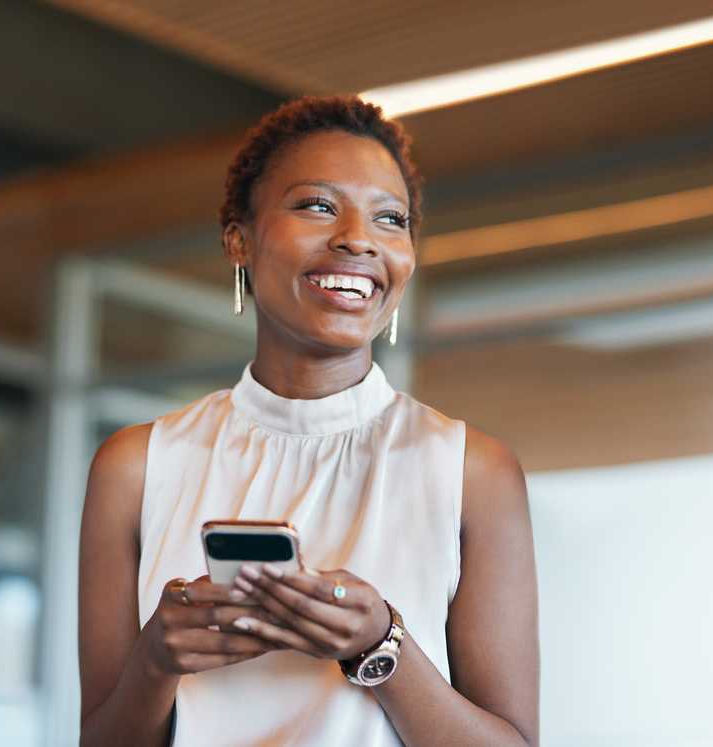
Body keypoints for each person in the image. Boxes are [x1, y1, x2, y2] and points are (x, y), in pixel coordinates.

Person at [78, 96, 539, 746]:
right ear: (239, 239)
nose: (358, 238)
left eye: (390, 218)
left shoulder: (472, 471)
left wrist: (381, 643)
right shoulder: (136, 466)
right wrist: (156, 661)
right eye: (318, 205)